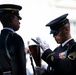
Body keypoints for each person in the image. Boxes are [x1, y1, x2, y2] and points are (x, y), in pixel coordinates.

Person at [0, 4, 26, 75]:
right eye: (18, 18)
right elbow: (20, 68)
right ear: (11, 20)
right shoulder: (15, 39)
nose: (19, 22)